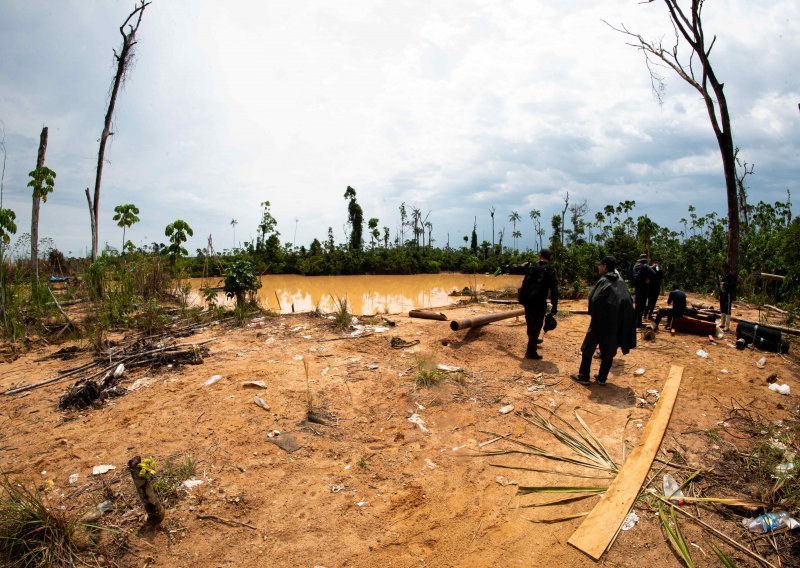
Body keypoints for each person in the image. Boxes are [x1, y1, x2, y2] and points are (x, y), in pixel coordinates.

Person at [571, 256, 636, 384]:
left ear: (605, 266)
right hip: (615, 323)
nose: (598, 267)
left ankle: (584, 376)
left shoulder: (603, 280)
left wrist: (594, 315)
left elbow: (593, 299)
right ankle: (602, 378)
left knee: (588, 347)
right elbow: (628, 301)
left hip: (599, 321)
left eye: (599, 265)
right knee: (609, 350)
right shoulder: (621, 282)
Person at [518, 248, 559, 359]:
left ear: (539, 255)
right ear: (549, 258)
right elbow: (554, 291)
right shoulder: (550, 270)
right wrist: (554, 306)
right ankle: (531, 352)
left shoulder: (531, 266)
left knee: (530, 323)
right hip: (539, 302)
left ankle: (533, 340)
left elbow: (517, 269)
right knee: (537, 325)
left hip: (527, 301)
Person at [632, 254, 656, 327]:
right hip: (643, 288)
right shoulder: (645, 266)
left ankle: (634, 321)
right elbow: (654, 273)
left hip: (637, 288)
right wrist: (648, 278)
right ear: (645, 260)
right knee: (641, 306)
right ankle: (639, 323)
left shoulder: (635, 266)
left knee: (637, 305)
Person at [720, 261, 737, 331]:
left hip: (728, 294)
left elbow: (732, 286)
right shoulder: (725, 276)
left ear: (728, 269)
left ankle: (727, 325)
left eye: (725, 268)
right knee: (723, 308)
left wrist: (724, 284)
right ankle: (722, 323)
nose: (724, 270)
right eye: (723, 269)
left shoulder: (732, 276)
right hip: (723, 294)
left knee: (728, 309)